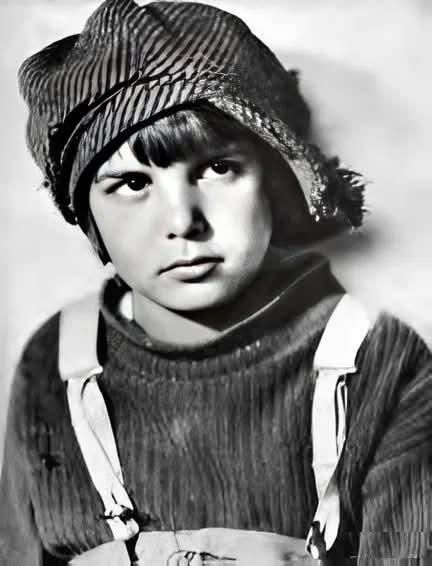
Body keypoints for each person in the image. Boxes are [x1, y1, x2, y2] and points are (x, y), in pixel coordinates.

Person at [1, 0, 431, 564]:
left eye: (218, 168)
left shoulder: (378, 360)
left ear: (275, 180)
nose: (183, 222)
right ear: (88, 221)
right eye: (132, 184)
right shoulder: (54, 363)